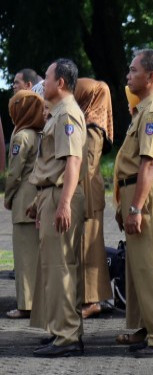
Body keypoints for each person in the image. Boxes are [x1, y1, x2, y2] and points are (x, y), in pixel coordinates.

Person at [114, 49, 153, 357]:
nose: (128, 75)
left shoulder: (152, 111)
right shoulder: (145, 108)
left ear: (150, 76)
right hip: (141, 192)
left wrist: (136, 207)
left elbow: (149, 165)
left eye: (133, 70)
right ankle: (151, 329)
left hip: (148, 194)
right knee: (142, 268)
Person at [27, 58, 87, 357]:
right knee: (57, 267)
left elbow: (72, 162)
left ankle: (67, 337)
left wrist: (63, 204)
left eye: (47, 78)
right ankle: (64, 331)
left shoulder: (66, 115)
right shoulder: (59, 114)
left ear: (60, 83)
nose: (44, 83)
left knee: (61, 267)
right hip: (52, 195)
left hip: (61, 195)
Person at [73, 78, 113, 319]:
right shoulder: (88, 123)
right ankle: (90, 297)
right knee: (86, 245)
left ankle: (92, 300)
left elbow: (86, 165)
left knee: (89, 246)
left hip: (87, 191)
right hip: (87, 189)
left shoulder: (93, 127)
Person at [4, 90, 45, 319]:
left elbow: (14, 174)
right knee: (37, 255)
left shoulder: (21, 137)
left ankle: (26, 305)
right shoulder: (40, 134)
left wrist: (8, 197)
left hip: (23, 199)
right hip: (39, 197)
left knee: (24, 256)